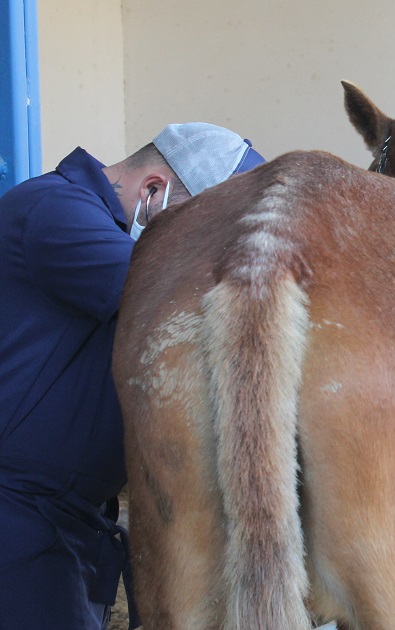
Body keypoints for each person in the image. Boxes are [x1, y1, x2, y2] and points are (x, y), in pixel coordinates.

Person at [0, 123, 265, 629]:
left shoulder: (91, 221)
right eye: (207, 239)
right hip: (16, 511)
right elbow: (188, 304)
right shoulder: (56, 211)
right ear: (153, 191)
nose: (213, 258)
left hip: (66, 519)